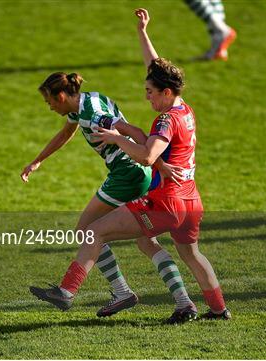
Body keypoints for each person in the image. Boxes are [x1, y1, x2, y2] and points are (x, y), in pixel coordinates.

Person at [29, 9, 231, 321]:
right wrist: (142, 31)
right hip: (191, 199)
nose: (146, 97)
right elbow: (157, 69)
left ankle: (68, 291)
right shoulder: (185, 108)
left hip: (166, 201)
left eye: (150, 92)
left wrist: (116, 138)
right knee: (187, 252)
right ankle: (215, 309)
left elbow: (147, 153)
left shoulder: (165, 119)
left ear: (165, 92)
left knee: (92, 232)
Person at [23, 72, 198, 322]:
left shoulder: (92, 113)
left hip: (127, 173)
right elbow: (65, 134)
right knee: (146, 242)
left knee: (85, 229)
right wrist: (37, 161)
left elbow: (134, 131)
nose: (49, 106)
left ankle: (78, 291)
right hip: (137, 172)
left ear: (61, 96)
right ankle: (183, 302)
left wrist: (158, 162)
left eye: (49, 101)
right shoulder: (84, 104)